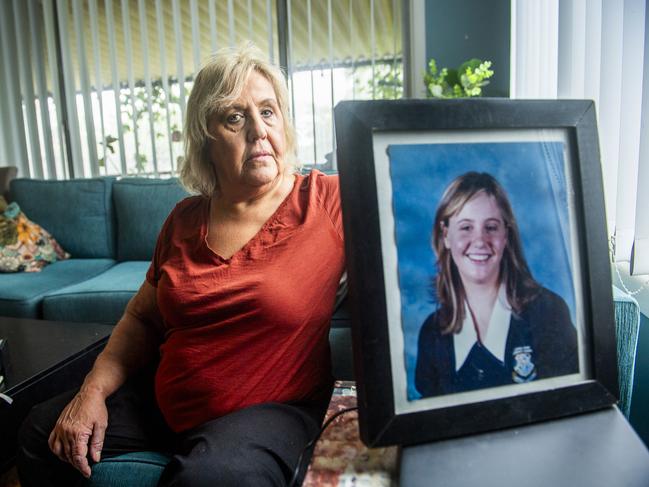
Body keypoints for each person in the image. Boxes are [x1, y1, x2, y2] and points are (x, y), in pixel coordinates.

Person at [16, 44, 345, 487]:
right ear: (205, 138)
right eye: (234, 117)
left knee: (211, 478)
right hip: (164, 403)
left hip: (270, 410)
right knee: (40, 429)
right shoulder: (184, 219)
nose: (258, 131)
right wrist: (92, 391)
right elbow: (141, 318)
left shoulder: (325, 202)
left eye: (268, 112)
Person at [415, 172, 578, 398]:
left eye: (491, 227)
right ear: (446, 236)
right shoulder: (431, 334)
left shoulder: (550, 313)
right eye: (465, 227)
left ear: (506, 235)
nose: (480, 241)